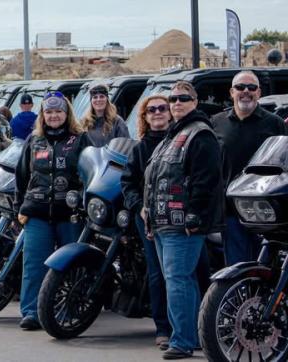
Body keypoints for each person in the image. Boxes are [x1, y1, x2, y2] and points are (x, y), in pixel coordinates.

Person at [142, 81, 223, 359]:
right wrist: (149, 216)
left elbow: (207, 181)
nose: (177, 103)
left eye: (183, 99)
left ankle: (182, 341)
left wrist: (194, 217)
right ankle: (194, 336)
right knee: (178, 281)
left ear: (195, 101)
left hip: (183, 225)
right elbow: (154, 179)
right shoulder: (173, 134)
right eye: (173, 99)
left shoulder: (200, 134)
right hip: (163, 222)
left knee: (177, 280)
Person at [14, 93, 92, 331]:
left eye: (58, 112)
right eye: (49, 112)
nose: (54, 116)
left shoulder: (81, 139)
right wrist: (20, 207)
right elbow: (22, 176)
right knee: (34, 263)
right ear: (42, 115)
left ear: (66, 114)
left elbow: (90, 175)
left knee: (71, 265)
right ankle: (31, 312)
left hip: (70, 213)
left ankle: (70, 308)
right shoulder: (33, 139)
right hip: (37, 211)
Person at [211, 70, 288, 266]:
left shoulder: (275, 123)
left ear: (259, 93)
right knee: (237, 268)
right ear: (231, 92)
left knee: (268, 268)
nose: (246, 91)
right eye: (240, 87)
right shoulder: (216, 123)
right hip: (231, 210)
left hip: (266, 211)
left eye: (251, 87)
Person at [120, 95, 174, 349]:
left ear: (170, 113)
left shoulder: (181, 141)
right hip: (149, 219)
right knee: (157, 273)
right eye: (151, 110)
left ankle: (191, 325)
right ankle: (162, 327)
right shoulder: (139, 149)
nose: (157, 113)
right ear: (144, 117)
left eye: (162, 108)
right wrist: (137, 207)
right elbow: (128, 183)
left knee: (184, 274)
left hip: (179, 217)